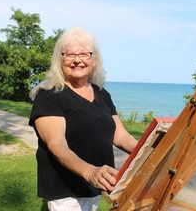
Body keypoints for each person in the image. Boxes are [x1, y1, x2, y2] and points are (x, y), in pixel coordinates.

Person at [29, 27, 138, 211]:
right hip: (65, 189)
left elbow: (120, 136)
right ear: (59, 59)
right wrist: (90, 172)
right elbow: (57, 144)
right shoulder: (49, 95)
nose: (77, 60)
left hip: (94, 187)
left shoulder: (102, 94)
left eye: (84, 54)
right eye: (70, 54)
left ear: (94, 59)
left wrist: (150, 150)